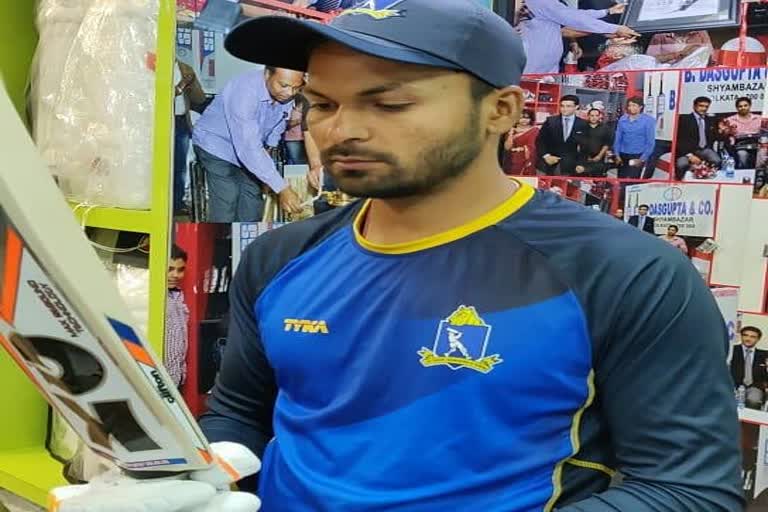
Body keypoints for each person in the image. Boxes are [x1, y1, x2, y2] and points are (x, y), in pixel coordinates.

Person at [53, 1, 742, 510]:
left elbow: (686, 489)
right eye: (323, 103)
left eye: (388, 104)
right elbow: (241, 412)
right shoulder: (281, 258)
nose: (342, 130)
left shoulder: (624, 273)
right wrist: (197, 477)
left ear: (502, 111)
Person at [191, 67, 305, 222]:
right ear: (267, 73)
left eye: (296, 88)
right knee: (228, 195)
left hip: (250, 147)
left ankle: (247, 235)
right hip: (216, 145)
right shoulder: (244, 91)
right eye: (284, 85)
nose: (290, 93)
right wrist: (282, 188)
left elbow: (279, 121)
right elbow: (247, 146)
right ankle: (222, 236)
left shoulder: (285, 93)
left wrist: (270, 146)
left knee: (252, 196)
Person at [517, 0, 638, 74]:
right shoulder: (541, 1)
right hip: (535, 64)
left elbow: (573, 14)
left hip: (545, 65)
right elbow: (573, 18)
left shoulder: (546, 3)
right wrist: (613, 28)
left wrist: (607, 12)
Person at [173, 59, 206, 215]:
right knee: (161, 166)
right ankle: (162, 204)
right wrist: (181, 85)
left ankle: (177, 204)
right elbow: (160, 95)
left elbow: (200, 99)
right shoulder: (154, 64)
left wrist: (191, 83)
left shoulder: (185, 68)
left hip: (181, 122)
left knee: (180, 166)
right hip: (161, 123)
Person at [536, 95, 588, 175]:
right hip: (548, 164)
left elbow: (585, 147)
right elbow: (540, 141)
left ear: (576, 107)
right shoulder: (550, 121)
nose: (564, 109)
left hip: (571, 165)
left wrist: (581, 164)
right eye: (562, 106)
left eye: (568, 106)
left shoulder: (583, 124)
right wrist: (546, 156)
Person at [675, 96, 722, 180]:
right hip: (686, 151)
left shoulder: (710, 120)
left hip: (704, 149)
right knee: (681, 164)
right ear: (694, 106)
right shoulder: (684, 119)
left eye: (706, 106)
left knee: (717, 160)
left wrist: (722, 132)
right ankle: (682, 184)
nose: (704, 109)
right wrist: (690, 156)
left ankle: (708, 181)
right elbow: (679, 140)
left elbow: (715, 137)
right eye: (701, 106)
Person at [165, 244, 190, 388]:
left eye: (180, 270)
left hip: (175, 381)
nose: (175, 275)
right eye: (170, 269)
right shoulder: (149, 296)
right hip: (157, 381)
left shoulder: (178, 295)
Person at [613, 97, 656, 179]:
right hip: (623, 154)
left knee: (633, 181)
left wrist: (642, 159)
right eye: (629, 105)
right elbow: (618, 138)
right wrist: (617, 154)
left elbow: (650, 142)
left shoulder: (648, 121)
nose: (631, 108)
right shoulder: (623, 119)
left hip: (637, 155)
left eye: (634, 105)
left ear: (640, 107)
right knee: (621, 179)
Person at [730, 326, 768, 409]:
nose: (748, 339)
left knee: (754, 400)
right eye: (745, 335)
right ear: (741, 336)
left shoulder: (765, 355)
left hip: (755, 387)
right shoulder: (732, 350)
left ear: (758, 339)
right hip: (732, 386)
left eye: (753, 337)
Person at [723, 96, 762, 169]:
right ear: (737, 108)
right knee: (742, 155)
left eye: (745, 105)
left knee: (762, 155)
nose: (743, 108)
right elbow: (725, 135)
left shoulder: (760, 118)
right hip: (739, 146)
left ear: (750, 106)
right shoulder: (730, 120)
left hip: (758, 145)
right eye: (740, 106)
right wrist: (728, 132)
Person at [575, 108, 611, 176]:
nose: (594, 118)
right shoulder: (582, 127)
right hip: (583, 159)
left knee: (596, 178)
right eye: (592, 115)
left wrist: (599, 156)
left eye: (596, 116)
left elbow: (607, 144)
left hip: (598, 159)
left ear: (599, 116)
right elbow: (577, 143)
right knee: (582, 177)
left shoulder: (605, 128)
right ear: (588, 116)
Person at [502, 109, 538, 175]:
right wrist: (510, 134)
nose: (524, 120)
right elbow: (507, 147)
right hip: (511, 160)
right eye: (521, 118)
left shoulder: (534, 130)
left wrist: (518, 149)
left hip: (526, 160)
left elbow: (532, 147)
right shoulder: (510, 130)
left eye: (527, 118)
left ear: (531, 119)